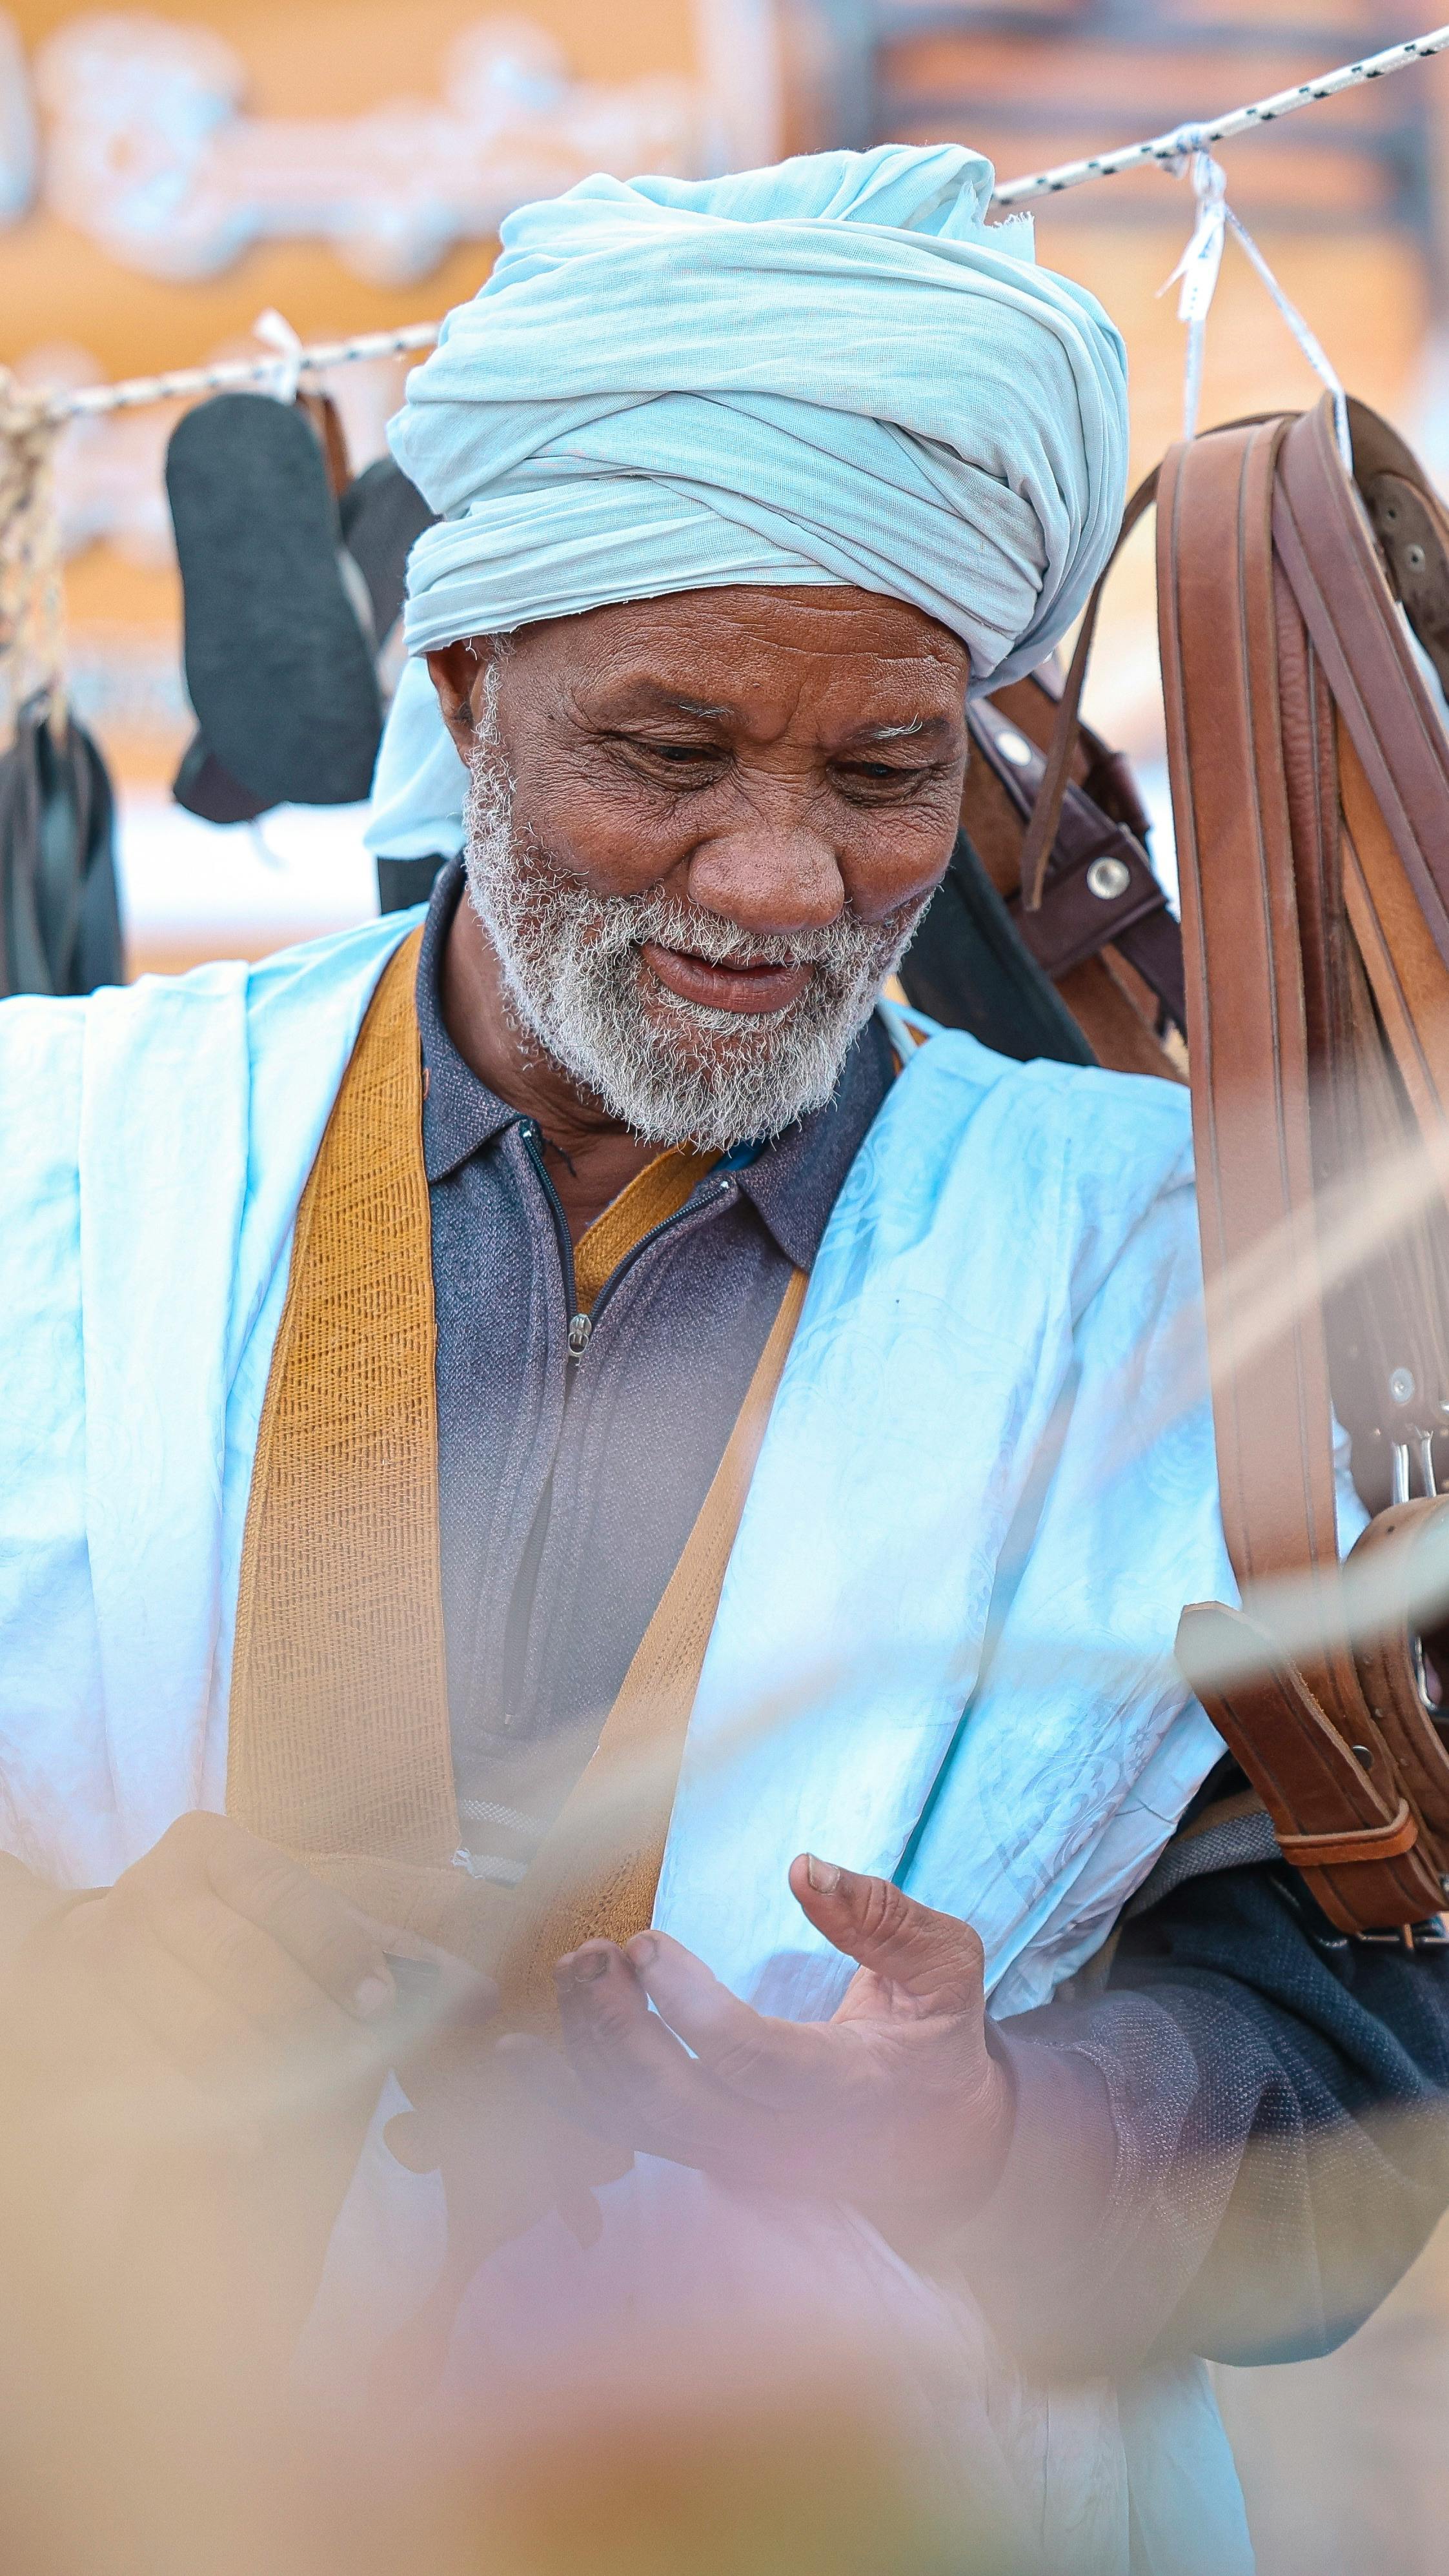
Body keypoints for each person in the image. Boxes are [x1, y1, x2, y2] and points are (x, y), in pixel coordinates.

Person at [2, 143, 1448, 2574]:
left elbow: (1355, 2029)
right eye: (665, 757)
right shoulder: (54, 1172)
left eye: (884, 775)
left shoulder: (1170, 1266)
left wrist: (1005, 2124)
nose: (781, 883)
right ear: (462, 692)